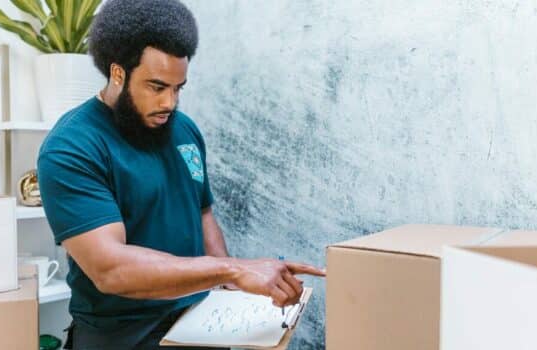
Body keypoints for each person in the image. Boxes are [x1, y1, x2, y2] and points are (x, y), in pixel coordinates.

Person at [37, 0, 325, 348]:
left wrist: (237, 285)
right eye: (156, 87)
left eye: (178, 88)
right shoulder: (72, 146)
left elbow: (202, 214)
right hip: (122, 336)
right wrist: (232, 269)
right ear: (117, 73)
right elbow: (110, 268)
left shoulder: (184, 130)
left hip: (197, 325)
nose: (169, 103)